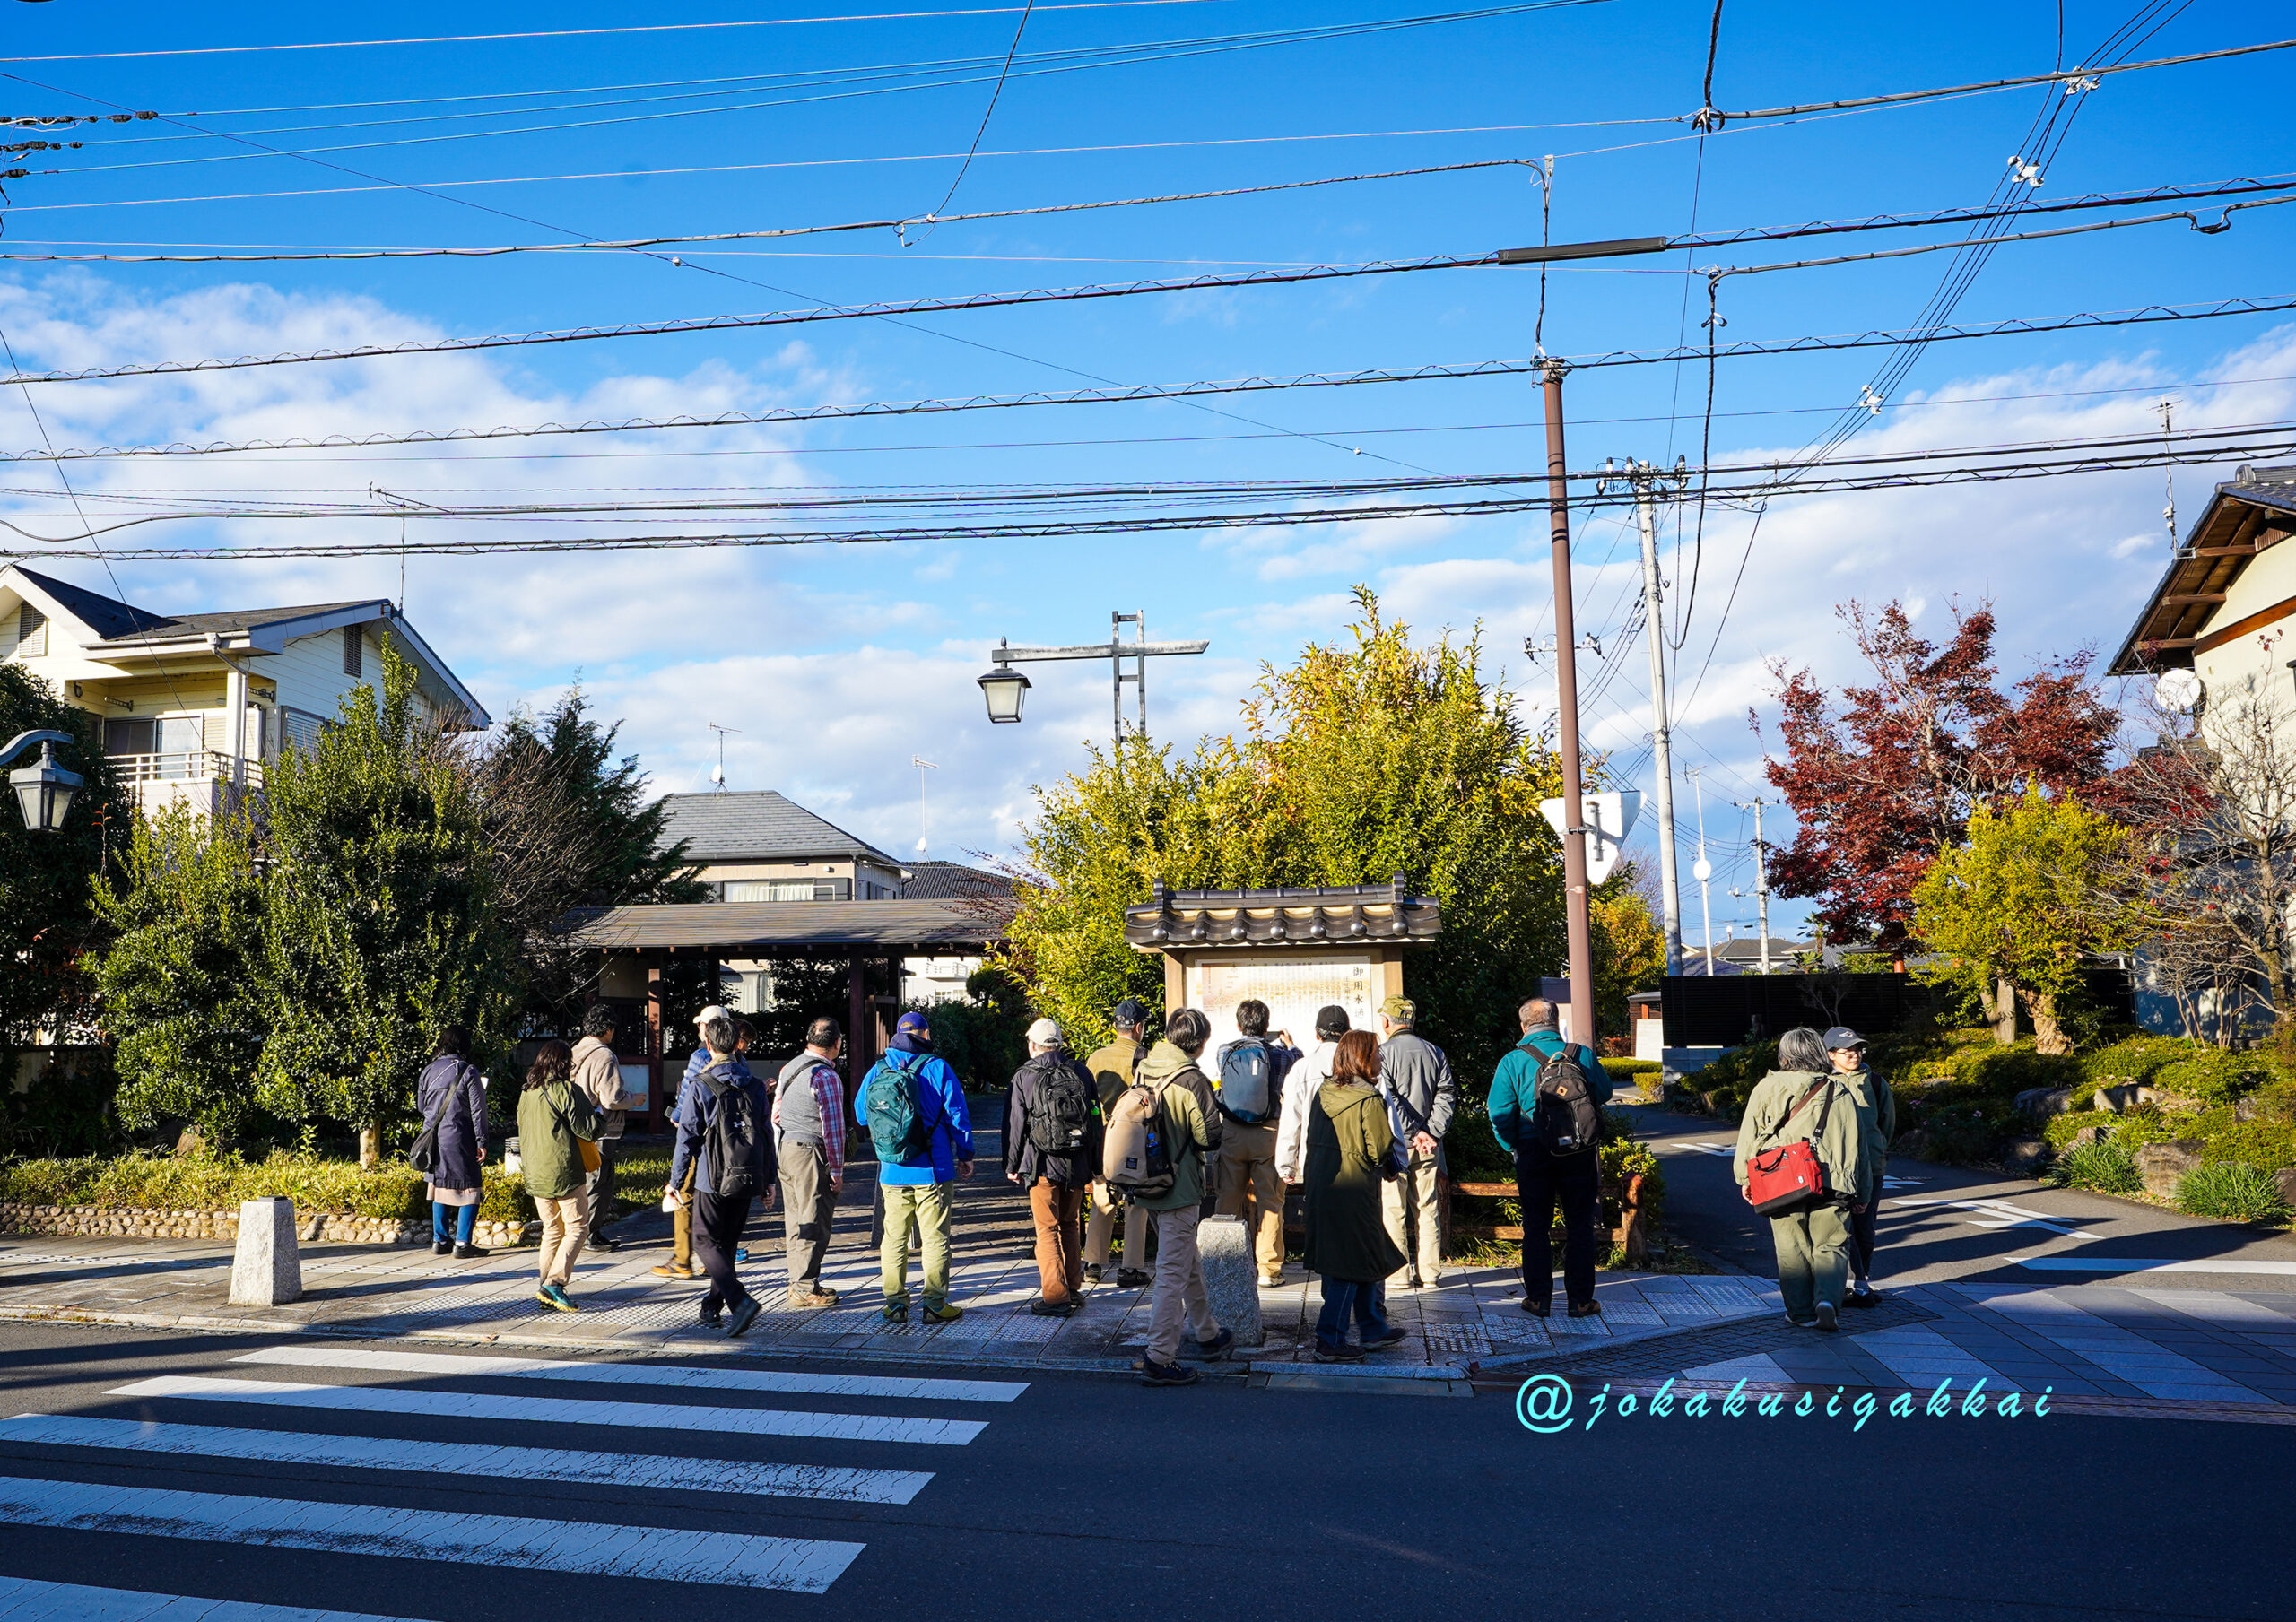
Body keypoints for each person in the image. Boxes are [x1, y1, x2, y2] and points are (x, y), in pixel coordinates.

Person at [1732, 1026, 1870, 1333]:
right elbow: (1858, 1145)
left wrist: (1745, 1177)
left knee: (1791, 1247)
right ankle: (1828, 1301)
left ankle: (1800, 1312)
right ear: (1820, 1053)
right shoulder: (1839, 1090)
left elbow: (1749, 1135)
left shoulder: (1767, 1087)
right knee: (1832, 1244)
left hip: (1781, 1180)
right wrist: (1862, 1191)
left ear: (1785, 1055)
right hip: (1833, 1181)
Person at [1487, 997, 1614, 1318]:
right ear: (1555, 1022)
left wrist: (1512, 1146)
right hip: (1578, 1151)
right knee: (1580, 1225)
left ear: (1523, 1026)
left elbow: (1499, 1112)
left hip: (1534, 1150)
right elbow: (1604, 1092)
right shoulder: (1580, 1054)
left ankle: (1539, 1300)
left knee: (1536, 1226)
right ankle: (1580, 1301)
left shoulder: (1513, 1061)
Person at [1132, 1007, 1234, 1387]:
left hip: (1147, 1181)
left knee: (1185, 1259)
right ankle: (1159, 1357)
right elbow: (1209, 1137)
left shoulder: (1143, 1068)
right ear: (1201, 1042)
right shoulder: (1192, 1079)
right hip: (1179, 1186)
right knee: (1172, 1273)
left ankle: (1208, 1332)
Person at [857, 1010, 974, 1325]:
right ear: (925, 1035)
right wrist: (966, 1154)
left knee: (894, 1238)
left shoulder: (879, 1069)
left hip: (892, 1169)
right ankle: (934, 1304)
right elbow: (957, 1115)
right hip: (932, 1169)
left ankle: (895, 1304)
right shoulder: (937, 1067)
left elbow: (861, 1114)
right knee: (935, 1237)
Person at [665, 1013, 777, 1338]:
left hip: (712, 1178)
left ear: (709, 1044)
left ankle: (740, 1301)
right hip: (748, 1174)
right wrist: (769, 1179)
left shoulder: (702, 1085)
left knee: (703, 1239)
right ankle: (712, 1306)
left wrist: (675, 1182)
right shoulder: (754, 1085)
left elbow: (687, 1137)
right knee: (726, 1244)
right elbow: (766, 1134)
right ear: (737, 1044)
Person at [1303, 1029, 1410, 1362]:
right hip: (1354, 1189)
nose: (1380, 1058)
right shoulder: (1368, 1098)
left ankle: (1372, 1327)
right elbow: (1380, 1146)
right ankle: (1330, 1339)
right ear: (1363, 1058)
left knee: (1363, 1254)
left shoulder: (1323, 1091)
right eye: (1376, 1053)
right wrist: (1391, 1166)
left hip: (1323, 1184)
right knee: (1349, 1264)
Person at [1004, 1018, 1102, 1316]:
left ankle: (1055, 1298)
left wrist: (1011, 1163)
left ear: (1033, 1045)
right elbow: (1095, 1120)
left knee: (1046, 1229)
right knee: (1071, 1224)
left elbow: (1015, 1124)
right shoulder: (1081, 1072)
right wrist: (1096, 1165)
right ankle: (1072, 1288)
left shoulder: (1025, 1076)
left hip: (1041, 1164)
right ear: (1059, 1044)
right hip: (1077, 1163)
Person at [1212, 999, 1300, 1288]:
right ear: (1267, 1026)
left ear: (1239, 1025)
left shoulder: (1225, 1051)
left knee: (1228, 1199)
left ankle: (1223, 1264)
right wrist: (1291, 1045)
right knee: (1270, 1202)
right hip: (1268, 1134)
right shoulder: (1280, 1056)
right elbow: (1297, 1061)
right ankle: (1268, 1270)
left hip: (1233, 1132)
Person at [1374, 995, 1457, 1290]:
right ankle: (1430, 1274)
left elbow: (1388, 1099)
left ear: (1386, 1021)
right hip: (1429, 1146)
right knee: (1427, 1207)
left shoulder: (1382, 1054)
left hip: (1395, 1144)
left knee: (1393, 1209)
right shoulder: (1435, 1052)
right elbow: (1446, 1094)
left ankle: (1398, 1275)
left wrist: (1411, 1132)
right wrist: (1430, 1132)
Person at [517, 1038, 604, 1312]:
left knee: (552, 1231)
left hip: (535, 1172)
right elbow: (589, 1129)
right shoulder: (566, 1090)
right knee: (578, 1228)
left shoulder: (527, 1093)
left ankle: (545, 1289)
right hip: (564, 1171)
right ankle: (554, 1284)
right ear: (564, 1064)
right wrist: (600, 1113)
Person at [654, 1003, 732, 1281]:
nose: (698, 1028)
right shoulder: (737, 1059)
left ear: (708, 1029)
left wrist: (676, 1116)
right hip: (726, 1144)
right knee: (717, 1199)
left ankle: (682, 1258)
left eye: (701, 1024)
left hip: (699, 1138)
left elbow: (689, 1093)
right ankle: (714, 1258)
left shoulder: (700, 1056)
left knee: (684, 1195)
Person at [775, 1017, 848, 1310]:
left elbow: (776, 1114)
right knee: (814, 1220)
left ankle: (799, 1282)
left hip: (786, 1149)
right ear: (837, 1043)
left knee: (795, 1220)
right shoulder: (826, 1076)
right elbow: (833, 1129)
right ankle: (804, 1288)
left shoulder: (790, 1068)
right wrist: (837, 1171)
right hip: (810, 1151)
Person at [1083, 998, 1152, 1288]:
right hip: (1132, 1138)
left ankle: (1092, 1264)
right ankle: (1130, 1268)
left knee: (1102, 1198)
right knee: (1136, 1202)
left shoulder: (1096, 1058)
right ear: (1138, 1027)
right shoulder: (1145, 1058)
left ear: (1116, 1027)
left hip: (1101, 1138)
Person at [1825, 1026, 1895, 1306]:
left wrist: (1876, 1148)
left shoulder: (1875, 1082)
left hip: (1871, 1165)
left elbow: (1887, 1123)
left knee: (1865, 1230)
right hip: (1835, 1167)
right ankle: (1845, 1285)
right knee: (1841, 1228)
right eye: (1847, 1051)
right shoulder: (1822, 1083)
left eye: (1858, 1049)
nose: (1855, 1055)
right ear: (1831, 1054)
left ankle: (1861, 1282)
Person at [569, 1004, 643, 1253]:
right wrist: (634, 1099)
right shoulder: (605, 1056)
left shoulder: (574, 1052)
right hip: (601, 1129)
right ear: (608, 1029)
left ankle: (578, 1230)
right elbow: (611, 1098)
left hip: (575, 1127)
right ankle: (589, 1234)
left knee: (583, 1181)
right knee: (601, 1181)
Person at [416, 1026, 490, 1260]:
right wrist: (481, 1140)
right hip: (460, 1137)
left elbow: (421, 1106)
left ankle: (440, 1240)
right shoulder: (468, 1070)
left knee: (438, 1187)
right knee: (470, 1188)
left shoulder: (428, 1070)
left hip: (432, 1138)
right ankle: (462, 1243)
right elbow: (478, 1110)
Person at [1275, 1005, 1350, 1184]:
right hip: (1355, 1162)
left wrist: (1286, 1165)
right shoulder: (1361, 1064)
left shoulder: (1302, 1068)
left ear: (1317, 1034)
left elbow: (1291, 1118)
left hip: (1314, 1158)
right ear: (1348, 1033)